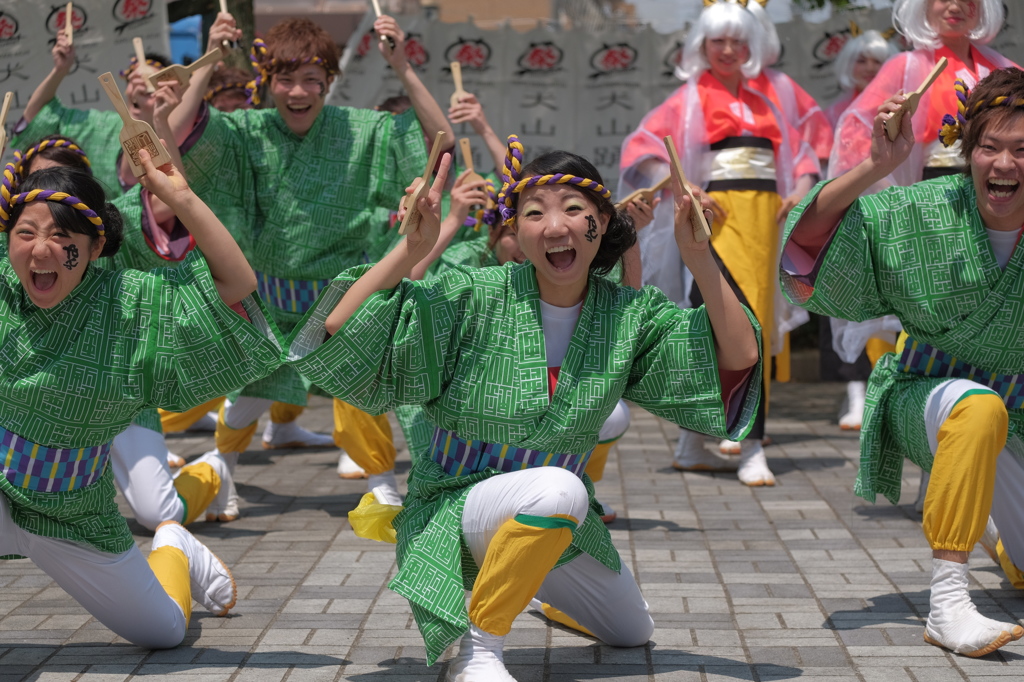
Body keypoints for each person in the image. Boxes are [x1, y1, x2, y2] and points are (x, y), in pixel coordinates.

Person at [280, 137, 761, 678]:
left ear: (601, 222)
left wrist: (698, 256)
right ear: (515, 231)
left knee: (634, 633)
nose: (556, 226)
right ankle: (482, 650)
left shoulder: (629, 315)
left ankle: (524, 575)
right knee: (560, 487)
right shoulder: (474, 294)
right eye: (535, 214)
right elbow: (343, 327)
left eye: (574, 210)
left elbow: (739, 356)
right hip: (458, 503)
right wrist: (410, 250)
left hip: (554, 518)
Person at [781, 67, 1024, 657]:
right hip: (928, 394)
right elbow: (805, 250)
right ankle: (949, 602)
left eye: (1022, 150)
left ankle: (992, 524)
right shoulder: (923, 209)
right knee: (977, 407)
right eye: (989, 146)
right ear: (967, 148)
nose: (1004, 165)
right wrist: (876, 168)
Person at [0, 141, 281, 646]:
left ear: (92, 247)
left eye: (60, 236)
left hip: (74, 511)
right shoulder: (3, 286)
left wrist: (183, 199)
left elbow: (236, 284)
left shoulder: (132, 304)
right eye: (25, 233)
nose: (40, 249)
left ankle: (174, 543)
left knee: (165, 632)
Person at [175, 14, 454, 510]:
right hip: (270, 294)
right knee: (251, 391)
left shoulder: (362, 129)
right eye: (285, 78)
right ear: (268, 83)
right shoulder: (246, 130)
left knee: (358, 384)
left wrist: (402, 66)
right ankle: (225, 475)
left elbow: (440, 141)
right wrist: (207, 64)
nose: (298, 91)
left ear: (329, 81)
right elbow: (171, 141)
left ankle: (380, 482)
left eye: (311, 79)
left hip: (340, 294)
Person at [619, 0, 819, 486]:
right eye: (718, 41)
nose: (728, 50)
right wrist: (683, 182)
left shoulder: (769, 99)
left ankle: (748, 443)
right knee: (708, 327)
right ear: (701, 46)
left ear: (753, 46)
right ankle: (698, 440)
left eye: (737, 41)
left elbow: (806, 153)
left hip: (764, 229)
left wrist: (799, 190)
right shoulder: (687, 100)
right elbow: (642, 147)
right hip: (711, 225)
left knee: (754, 328)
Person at [10, 17, 239, 199]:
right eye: (134, 82)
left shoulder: (185, 137)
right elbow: (38, 117)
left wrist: (209, 56)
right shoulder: (102, 128)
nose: (139, 89)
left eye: (150, 87)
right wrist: (60, 69)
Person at [830, 0, 1017, 187]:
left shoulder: (1006, 69)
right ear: (923, 5)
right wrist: (891, 191)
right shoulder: (904, 67)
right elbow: (856, 128)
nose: (954, 6)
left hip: (1001, 180)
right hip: (936, 185)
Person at [819, 26, 899, 430]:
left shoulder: (903, 106)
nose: (869, 69)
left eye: (878, 61)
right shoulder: (833, 113)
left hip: (895, 214)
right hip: (847, 215)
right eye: (861, 60)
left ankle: (888, 392)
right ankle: (854, 394)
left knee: (893, 302)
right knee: (845, 301)